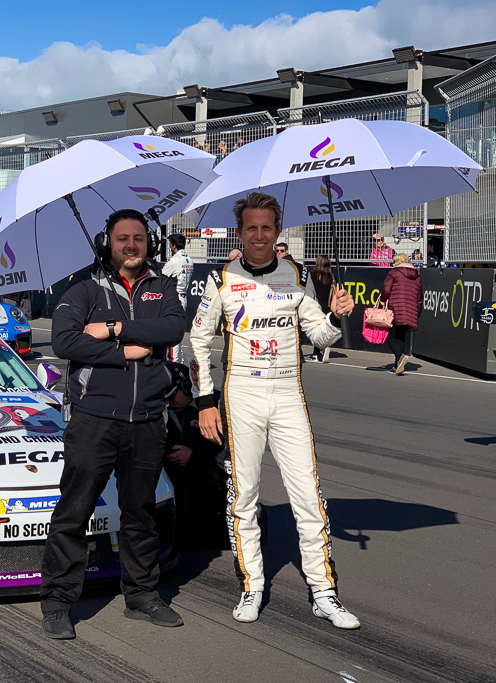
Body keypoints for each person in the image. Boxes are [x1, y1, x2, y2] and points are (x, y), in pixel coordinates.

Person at [189, 192, 360, 629]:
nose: (260, 235)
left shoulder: (297, 275)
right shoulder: (220, 280)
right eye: (252, 228)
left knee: (308, 495)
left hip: (288, 393)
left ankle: (324, 592)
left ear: (278, 232)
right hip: (241, 393)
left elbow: (320, 337)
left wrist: (338, 317)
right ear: (240, 232)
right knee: (243, 496)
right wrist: (206, 401)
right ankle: (252, 586)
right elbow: (199, 340)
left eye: (267, 228)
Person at [40, 208, 186, 640]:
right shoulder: (83, 289)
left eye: (139, 238)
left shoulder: (163, 286)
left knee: (140, 514)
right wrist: (124, 353)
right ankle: (57, 602)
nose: (131, 245)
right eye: (122, 238)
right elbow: (67, 341)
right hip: (94, 421)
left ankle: (141, 596)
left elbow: (172, 329)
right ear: (108, 243)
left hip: (147, 421)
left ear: (150, 244)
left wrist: (114, 328)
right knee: (74, 511)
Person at [163, 362, 227, 551]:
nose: (169, 402)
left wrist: (194, 456)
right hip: (174, 485)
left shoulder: (216, 404)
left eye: (172, 396)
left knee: (209, 540)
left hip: (209, 482)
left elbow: (233, 452)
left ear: (187, 386)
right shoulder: (162, 407)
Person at [380, 253, 423, 375]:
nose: (393, 264)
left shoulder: (393, 273)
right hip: (410, 310)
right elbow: (420, 299)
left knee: (388, 335)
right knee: (400, 336)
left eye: (394, 262)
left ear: (398, 262)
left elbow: (386, 291)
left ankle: (399, 357)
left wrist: (383, 299)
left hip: (395, 308)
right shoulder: (417, 277)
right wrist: (417, 313)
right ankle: (397, 365)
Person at [161, 234, 194, 363]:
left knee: (172, 332)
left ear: (173, 246)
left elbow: (162, 278)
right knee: (178, 331)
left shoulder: (174, 261)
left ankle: (175, 363)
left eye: (170, 244)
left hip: (174, 298)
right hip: (183, 297)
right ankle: (177, 361)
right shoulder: (189, 259)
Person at [307, 255, 337, 363]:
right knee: (325, 329)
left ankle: (315, 353)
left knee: (316, 329)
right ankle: (325, 347)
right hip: (328, 307)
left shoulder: (312, 275)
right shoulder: (332, 277)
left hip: (316, 305)